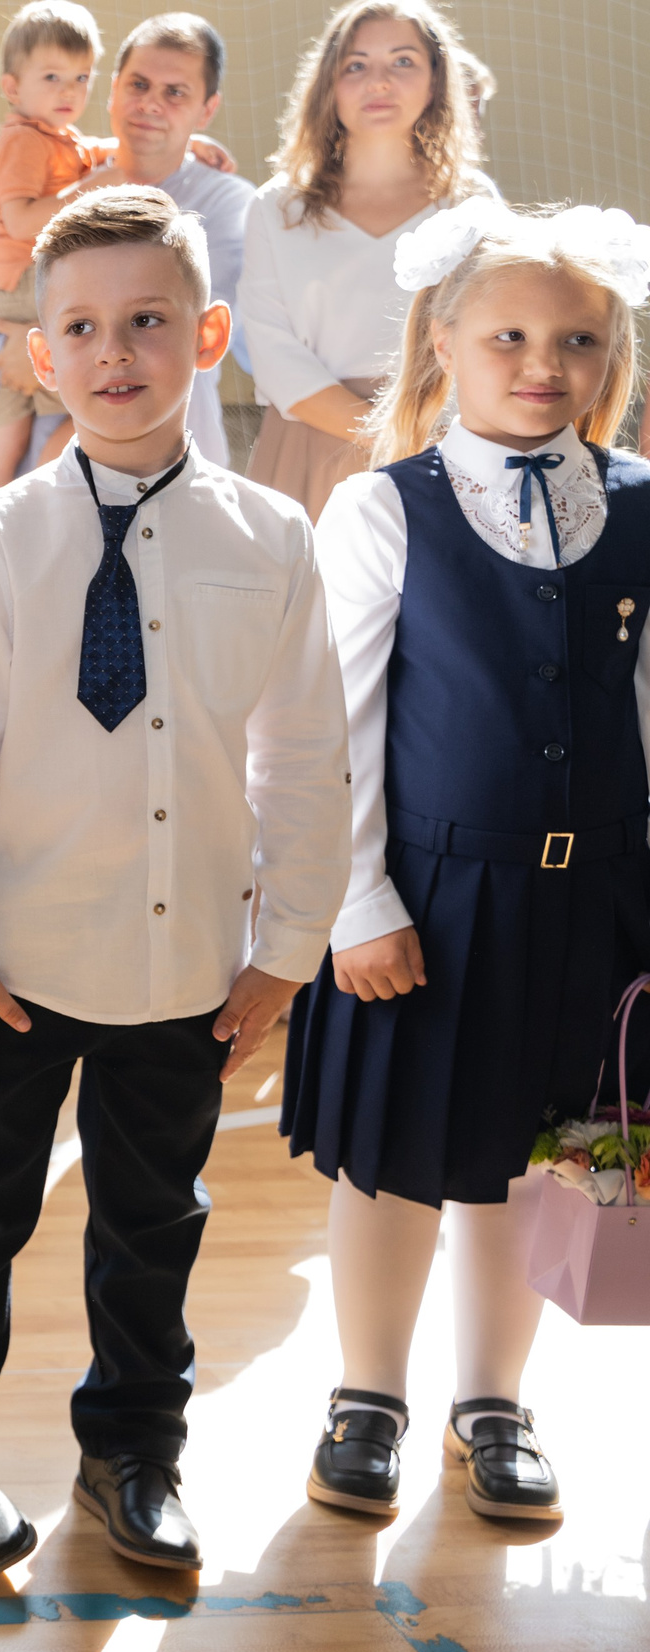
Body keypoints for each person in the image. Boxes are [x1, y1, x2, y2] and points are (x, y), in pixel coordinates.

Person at [0, 187, 348, 1578]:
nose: (113, 352)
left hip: (186, 961)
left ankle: (133, 1451)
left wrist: (288, 947)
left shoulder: (271, 541)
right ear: (41, 355)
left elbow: (305, 761)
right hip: (13, 966)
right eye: (79, 328)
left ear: (208, 335)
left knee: (153, 1219)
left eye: (147, 320)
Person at [282, 203, 650, 1526]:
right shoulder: (384, 509)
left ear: (612, 356)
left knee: (539, 1159)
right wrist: (357, 903)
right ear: (442, 342)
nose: (543, 364)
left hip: (597, 900)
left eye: (577, 341)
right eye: (508, 337)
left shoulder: (640, 504)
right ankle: (366, 1398)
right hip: (426, 901)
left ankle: (494, 1403)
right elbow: (332, 727)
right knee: (394, 1162)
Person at [0, 13, 257, 473]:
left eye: (175, 93)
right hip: (46, 472)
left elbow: (185, 329)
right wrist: (8, 353)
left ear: (206, 109)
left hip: (170, 469)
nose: (151, 104)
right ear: (112, 89)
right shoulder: (64, 180)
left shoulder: (229, 203)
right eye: (139, 85)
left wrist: (51, 347)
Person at [240, 0, 488, 521]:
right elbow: (273, 352)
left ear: (436, 81)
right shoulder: (277, 206)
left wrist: (423, 435)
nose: (379, 82)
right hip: (310, 447)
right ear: (328, 84)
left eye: (403, 61)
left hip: (441, 447)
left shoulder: (471, 202)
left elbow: (490, 332)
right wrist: (386, 434)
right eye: (356, 65)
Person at [0, 2, 110, 498]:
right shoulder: (25, 141)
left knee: (9, 439)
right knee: (77, 412)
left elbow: (112, 151)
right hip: (18, 289)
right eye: (52, 77)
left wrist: (190, 145)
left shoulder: (60, 139)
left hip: (2, 291)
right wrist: (94, 188)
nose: (69, 91)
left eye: (81, 77)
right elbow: (23, 219)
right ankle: (32, 512)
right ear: (12, 88)